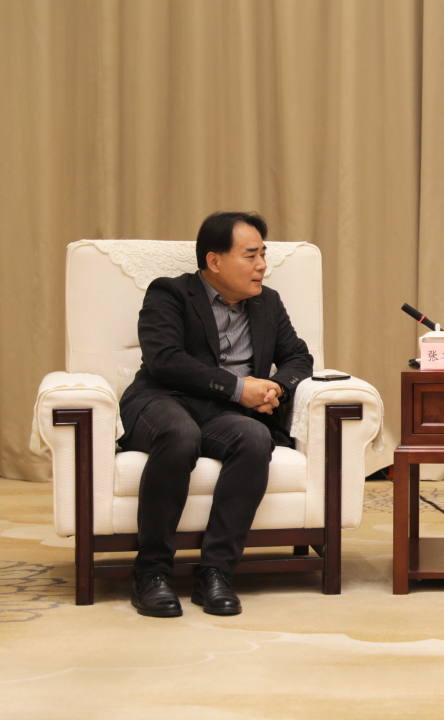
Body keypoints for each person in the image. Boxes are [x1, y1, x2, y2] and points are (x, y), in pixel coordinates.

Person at [118, 212, 313, 618]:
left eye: (263, 255)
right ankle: (151, 573)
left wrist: (275, 388)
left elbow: (298, 357)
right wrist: (240, 389)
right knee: (179, 434)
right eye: (251, 255)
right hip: (162, 400)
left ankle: (216, 573)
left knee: (255, 438)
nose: (262, 265)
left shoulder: (267, 303)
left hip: (222, 414)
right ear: (214, 261)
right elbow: (165, 360)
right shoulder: (169, 293)